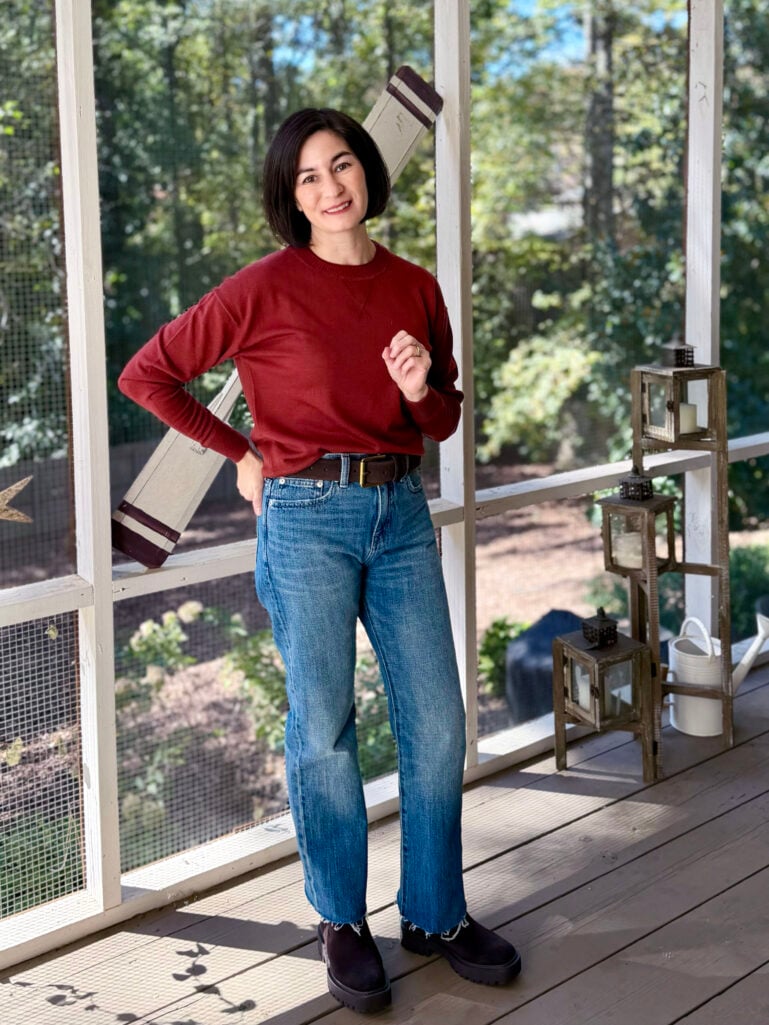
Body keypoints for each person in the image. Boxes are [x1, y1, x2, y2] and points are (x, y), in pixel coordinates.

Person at [118, 107, 521, 1013]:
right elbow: (146, 374)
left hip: (401, 512)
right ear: (288, 196)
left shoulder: (415, 286)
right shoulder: (261, 288)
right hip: (305, 519)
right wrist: (243, 453)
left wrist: (422, 389)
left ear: (367, 173)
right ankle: (340, 918)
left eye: (341, 165)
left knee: (439, 724)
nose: (330, 185)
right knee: (325, 730)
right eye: (307, 176)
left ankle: (435, 913)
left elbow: (444, 417)